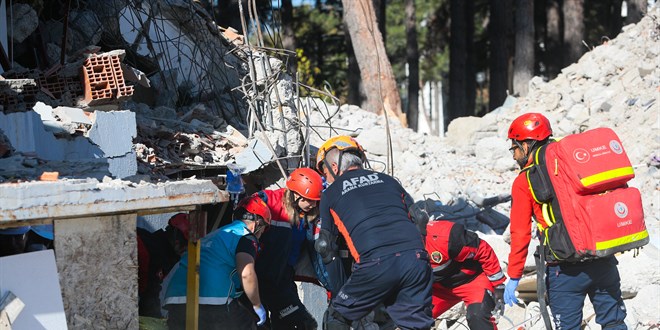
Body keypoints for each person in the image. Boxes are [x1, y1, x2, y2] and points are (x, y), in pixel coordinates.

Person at [504, 112, 627, 329]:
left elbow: (520, 233)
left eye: (514, 148)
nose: (514, 156)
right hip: (603, 259)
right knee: (614, 323)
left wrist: (514, 275)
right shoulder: (579, 164)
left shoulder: (524, 181)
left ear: (526, 145)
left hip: (564, 269)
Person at [315, 135, 433, 330]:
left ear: (334, 168)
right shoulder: (389, 181)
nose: (325, 178)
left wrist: (340, 292)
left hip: (375, 264)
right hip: (416, 261)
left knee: (336, 316)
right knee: (415, 326)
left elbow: (325, 246)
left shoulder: (331, 193)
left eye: (324, 172)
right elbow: (420, 218)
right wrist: (417, 255)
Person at [162, 195, 271, 330]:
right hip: (212, 299)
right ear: (257, 223)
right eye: (264, 228)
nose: (262, 234)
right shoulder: (246, 236)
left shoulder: (215, 234)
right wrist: (257, 304)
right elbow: (246, 273)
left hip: (176, 298)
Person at [409, 203, 506, 329]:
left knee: (477, 316)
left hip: (472, 280)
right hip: (438, 288)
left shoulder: (446, 236)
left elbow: (482, 249)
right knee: (411, 319)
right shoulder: (390, 249)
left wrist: (498, 284)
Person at [254, 167, 324, 329]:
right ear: (295, 195)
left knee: (292, 324)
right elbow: (249, 208)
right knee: (301, 323)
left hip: (283, 277)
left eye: (315, 200)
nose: (313, 204)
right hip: (262, 278)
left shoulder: (309, 213)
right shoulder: (270, 202)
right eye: (308, 200)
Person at [137, 213, 190, 317]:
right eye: (184, 243)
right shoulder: (156, 254)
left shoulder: (151, 240)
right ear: (175, 236)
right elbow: (149, 294)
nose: (185, 249)